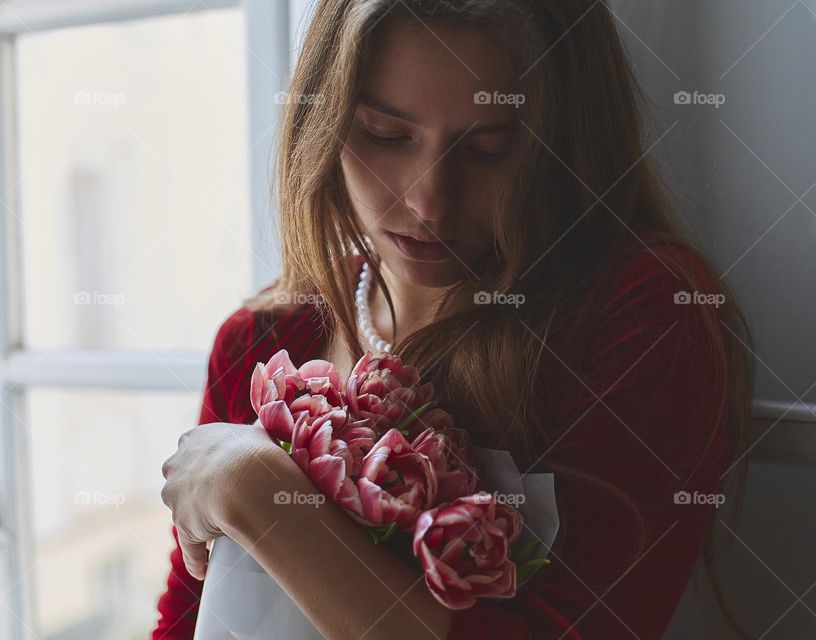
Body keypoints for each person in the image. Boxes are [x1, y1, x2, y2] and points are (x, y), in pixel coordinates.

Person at [154, 1, 755, 638]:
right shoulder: (262, 341)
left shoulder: (644, 313)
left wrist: (254, 490)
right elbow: (188, 621)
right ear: (321, 124)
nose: (429, 200)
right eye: (385, 135)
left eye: (492, 149)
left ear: (567, 143)